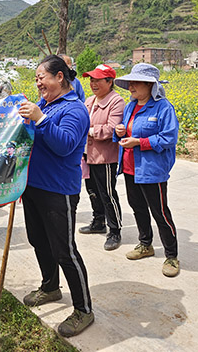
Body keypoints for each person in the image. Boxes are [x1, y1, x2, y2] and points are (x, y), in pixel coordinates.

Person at [18, 55, 94, 338]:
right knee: (38, 240)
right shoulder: (46, 105)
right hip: (33, 186)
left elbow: (64, 146)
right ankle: (50, 286)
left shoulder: (74, 109)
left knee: (65, 250)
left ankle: (84, 309)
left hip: (58, 189)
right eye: (36, 79)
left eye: (42, 77)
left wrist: (40, 118)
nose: (38, 83)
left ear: (60, 77)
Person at [113, 63, 180, 277]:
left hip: (152, 170)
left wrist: (140, 142)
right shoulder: (130, 107)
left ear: (150, 86)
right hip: (131, 168)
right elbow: (125, 135)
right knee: (138, 208)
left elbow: (169, 138)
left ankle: (171, 255)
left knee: (160, 212)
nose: (131, 86)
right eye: (130, 82)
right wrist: (119, 132)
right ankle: (145, 244)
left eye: (136, 82)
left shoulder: (163, 108)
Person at [79, 64, 125, 252]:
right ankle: (98, 221)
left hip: (104, 157)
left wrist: (88, 131)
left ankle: (115, 230)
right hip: (87, 154)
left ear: (110, 81)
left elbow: (111, 129)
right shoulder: (90, 101)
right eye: (91, 79)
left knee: (107, 193)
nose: (93, 83)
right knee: (92, 190)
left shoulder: (116, 101)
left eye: (98, 79)